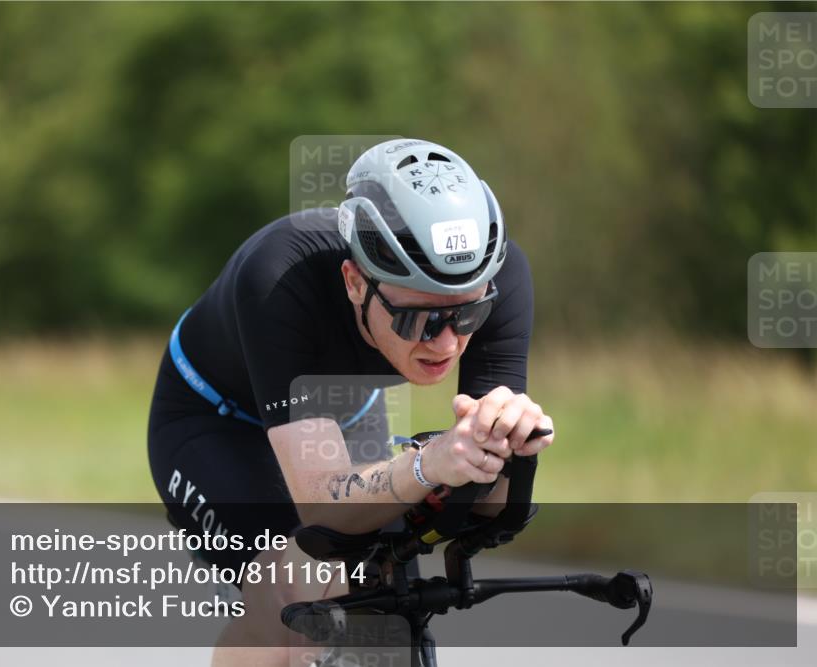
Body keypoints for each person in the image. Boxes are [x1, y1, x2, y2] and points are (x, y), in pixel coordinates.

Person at [147, 138, 555, 666]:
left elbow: (484, 508)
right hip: (217, 419)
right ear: (355, 282)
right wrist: (428, 464)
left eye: (467, 317)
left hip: (349, 411)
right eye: (417, 319)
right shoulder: (278, 278)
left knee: (381, 602)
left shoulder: (495, 277)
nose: (447, 343)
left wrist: (510, 455)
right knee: (294, 592)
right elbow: (323, 509)